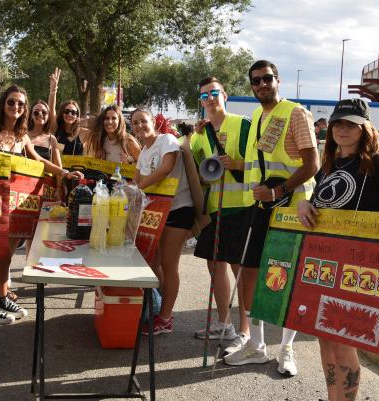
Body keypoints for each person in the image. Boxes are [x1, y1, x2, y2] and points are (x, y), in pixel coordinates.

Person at [297, 99, 379, 401]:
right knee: (324, 338)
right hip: (322, 263)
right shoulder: (330, 164)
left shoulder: (377, 164)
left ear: (365, 128)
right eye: (338, 122)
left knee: (343, 341)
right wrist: (304, 203)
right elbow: (323, 205)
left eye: (350, 123)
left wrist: (373, 235)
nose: (342, 128)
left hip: (353, 266)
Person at [224, 60, 319, 377]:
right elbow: (255, 163)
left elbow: (312, 164)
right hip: (260, 206)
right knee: (251, 272)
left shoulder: (295, 113)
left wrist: (279, 192)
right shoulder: (256, 115)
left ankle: (287, 347)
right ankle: (257, 347)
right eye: (256, 81)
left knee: (286, 277)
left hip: (292, 208)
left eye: (267, 79)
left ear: (278, 81)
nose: (262, 84)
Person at [0, 85, 81, 324]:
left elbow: (39, 160)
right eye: (11, 102)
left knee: (5, 257)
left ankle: (0, 298)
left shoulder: (22, 137)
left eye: (21, 104)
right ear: (3, 105)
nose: (16, 107)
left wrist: (64, 172)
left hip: (14, 207)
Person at [189, 77, 251, 347]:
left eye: (215, 93)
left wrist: (235, 163)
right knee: (215, 266)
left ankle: (246, 331)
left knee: (241, 271)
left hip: (242, 206)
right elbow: (195, 166)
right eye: (205, 95)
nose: (210, 98)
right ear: (201, 102)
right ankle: (224, 324)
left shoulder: (242, 124)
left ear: (225, 95)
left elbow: (261, 161)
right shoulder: (200, 133)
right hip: (216, 208)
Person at [131, 107, 195, 335]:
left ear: (153, 122)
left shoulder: (166, 140)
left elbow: (166, 168)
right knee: (153, 263)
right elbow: (135, 180)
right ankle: (159, 307)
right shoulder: (143, 152)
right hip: (156, 212)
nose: (140, 126)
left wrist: (136, 188)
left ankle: (165, 318)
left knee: (169, 264)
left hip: (178, 209)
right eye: (135, 123)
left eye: (143, 121)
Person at [47, 68, 88, 155]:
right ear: (62, 113)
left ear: (77, 116)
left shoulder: (82, 132)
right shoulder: (56, 128)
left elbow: (99, 132)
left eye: (73, 112)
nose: (70, 114)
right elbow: (51, 109)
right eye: (67, 111)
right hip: (57, 167)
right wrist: (53, 90)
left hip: (76, 168)